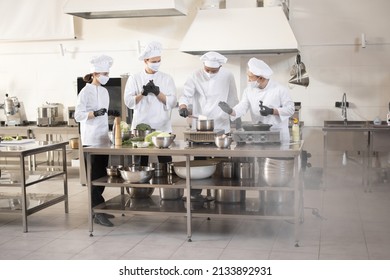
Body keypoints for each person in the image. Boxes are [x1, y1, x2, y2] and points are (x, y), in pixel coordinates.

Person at [75, 54, 119, 227]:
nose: (106, 76)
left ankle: (98, 209)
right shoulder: (85, 92)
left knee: (101, 176)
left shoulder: (104, 91)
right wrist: (94, 113)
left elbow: (103, 113)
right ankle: (97, 212)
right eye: (103, 73)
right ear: (94, 73)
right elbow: (78, 115)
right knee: (93, 178)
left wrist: (109, 112)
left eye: (107, 73)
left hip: (103, 138)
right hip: (90, 139)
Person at [124, 41, 177, 165]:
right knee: (140, 161)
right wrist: (142, 94)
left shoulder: (167, 78)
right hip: (141, 127)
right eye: (154, 62)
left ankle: (167, 184)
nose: (157, 64)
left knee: (165, 161)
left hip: (162, 126)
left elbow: (172, 102)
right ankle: (141, 182)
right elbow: (128, 102)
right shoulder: (135, 78)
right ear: (145, 61)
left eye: (159, 61)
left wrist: (158, 93)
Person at [218, 57, 295, 143]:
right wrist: (231, 111)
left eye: (251, 77)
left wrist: (272, 111)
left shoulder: (280, 89)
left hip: (278, 136)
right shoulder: (248, 90)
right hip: (258, 135)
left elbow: (291, 109)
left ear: (261, 78)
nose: (248, 80)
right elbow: (242, 106)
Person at [178, 51, 239, 133]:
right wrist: (183, 107)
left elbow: (233, 98)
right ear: (203, 64)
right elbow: (185, 95)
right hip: (200, 123)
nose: (210, 73)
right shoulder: (195, 75)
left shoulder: (228, 75)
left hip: (221, 123)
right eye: (207, 70)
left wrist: (235, 117)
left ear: (220, 67)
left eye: (214, 71)